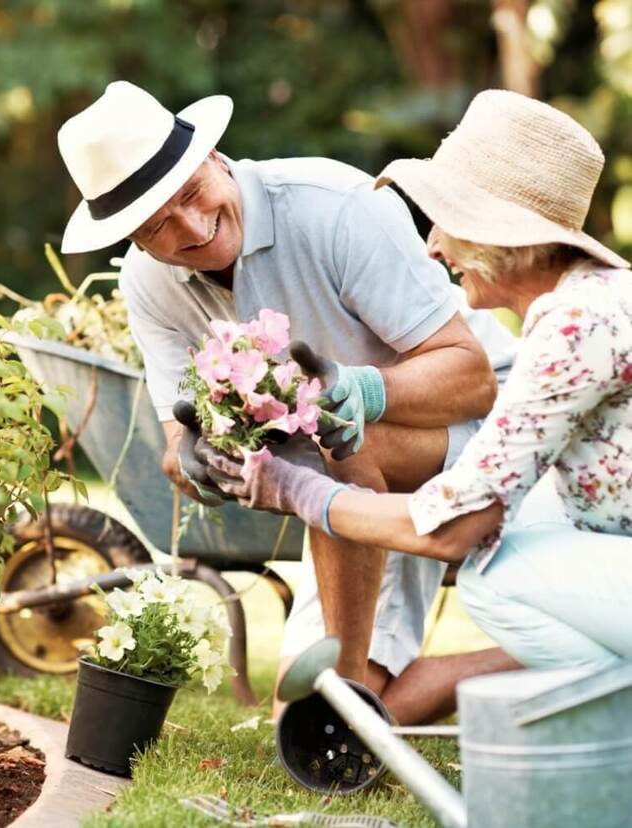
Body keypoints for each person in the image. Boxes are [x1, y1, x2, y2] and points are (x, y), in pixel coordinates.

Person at [56, 81, 518, 723]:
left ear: (214, 157)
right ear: (133, 240)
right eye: (158, 226)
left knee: (336, 436)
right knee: (293, 718)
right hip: (351, 490)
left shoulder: (336, 208)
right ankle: (558, 666)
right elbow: (175, 443)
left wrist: (360, 389)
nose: (191, 228)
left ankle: (346, 696)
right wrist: (196, 459)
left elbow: (474, 379)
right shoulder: (149, 285)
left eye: (191, 194)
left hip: (487, 436)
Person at [201, 89, 632, 674]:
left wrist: (295, 490)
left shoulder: (575, 325)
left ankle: (607, 702)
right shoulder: (597, 303)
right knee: (528, 521)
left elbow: (455, 527)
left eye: (446, 221)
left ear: (501, 232)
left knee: (489, 571)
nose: (432, 246)